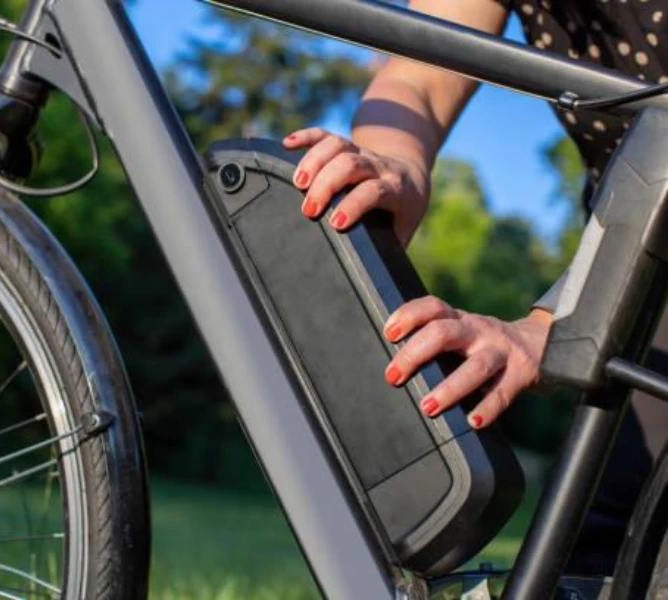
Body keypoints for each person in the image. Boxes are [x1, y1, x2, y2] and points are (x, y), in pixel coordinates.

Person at [283, 0, 668, 576]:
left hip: (640, 251)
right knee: (607, 541)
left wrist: (549, 325)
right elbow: (419, 75)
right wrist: (395, 164)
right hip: (636, 246)